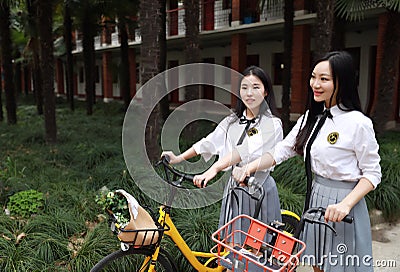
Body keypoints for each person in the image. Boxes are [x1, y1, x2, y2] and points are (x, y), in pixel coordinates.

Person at [232, 51, 381, 272]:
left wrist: (345, 205)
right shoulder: (311, 117)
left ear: (343, 81)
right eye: (313, 77)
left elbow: (372, 173)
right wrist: (248, 167)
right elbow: (281, 151)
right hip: (316, 199)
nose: (316, 84)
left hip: (343, 205)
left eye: (324, 79)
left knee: (340, 267)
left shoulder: (358, 123)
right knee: (318, 265)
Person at [162, 65, 284, 236]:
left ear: (265, 92)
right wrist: (178, 158)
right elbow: (209, 142)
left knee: (258, 247)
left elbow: (245, 150)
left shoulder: (271, 124)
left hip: (259, 188)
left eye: (256, 87)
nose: (249, 93)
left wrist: (214, 169)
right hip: (235, 186)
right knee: (232, 241)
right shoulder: (232, 121)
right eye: (244, 87)